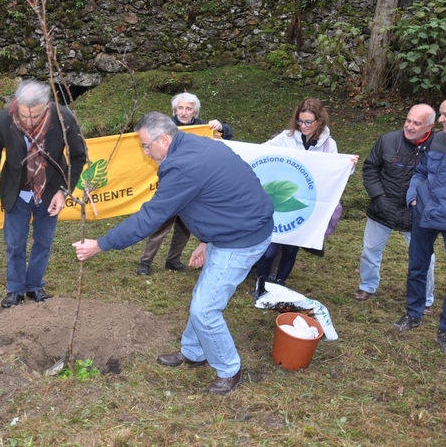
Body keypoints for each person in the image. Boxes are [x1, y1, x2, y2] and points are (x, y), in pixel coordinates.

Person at [73, 112, 274, 395]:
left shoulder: (183, 167)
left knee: (205, 309)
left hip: (241, 238)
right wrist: (206, 239)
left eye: (146, 145)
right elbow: (218, 194)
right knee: (204, 294)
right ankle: (193, 351)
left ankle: (229, 369)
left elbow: (149, 218)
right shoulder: (196, 143)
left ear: (164, 139)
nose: (144, 151)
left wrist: (101, 244)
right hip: (234, 228)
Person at [0, 80, 86, 309]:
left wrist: (63, 191)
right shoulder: (2, 120)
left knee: (43, 241)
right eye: (24, 116)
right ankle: (15, 289)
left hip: (51, 190)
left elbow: (79, 156)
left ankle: (35, 286)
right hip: (16, 191)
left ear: (46, 106)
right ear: (16, 104)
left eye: (35, 117)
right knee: (14, 243)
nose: (28, 122)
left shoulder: (64, 118)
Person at [392, 92, 446, 355]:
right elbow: (421, 172)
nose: (441, 120)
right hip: (425, 214)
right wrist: (414, 197)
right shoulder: (438, 139)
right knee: (417, 267)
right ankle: (413, 314)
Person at [254, 98, 357, 289]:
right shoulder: (285, 138)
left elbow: (335, 172)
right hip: (282, 201)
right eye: (300, 121)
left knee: (291, 250)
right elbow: (260, 151)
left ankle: (279, 284)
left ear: (319, 121)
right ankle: (260, 285)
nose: (303, 126)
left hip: (306, 205)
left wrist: (348, 165)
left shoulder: (328, 144)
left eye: (308, 122)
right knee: (269, 251)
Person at [136, 92, 234, 275]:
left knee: (185, 227)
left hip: (193, 187)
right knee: (161, 225)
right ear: (174, 110)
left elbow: (227, 135)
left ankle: (173, 259)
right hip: (172, 186)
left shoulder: (203, 127)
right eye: (180, 108)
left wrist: (222, 126)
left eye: (188, 108)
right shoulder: (164, 127)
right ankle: (145, 262)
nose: (184, 112)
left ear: (194, 112)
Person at [354, 104, 436, 310]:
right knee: (370, 250)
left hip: (418, 213)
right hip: (382, 208)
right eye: (408, 120)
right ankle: (367, 285)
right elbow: (370, 167)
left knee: (425, 257)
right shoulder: (387, 140)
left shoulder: (439, 147)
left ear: (430, 126)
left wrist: (425, 204)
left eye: (417, 123)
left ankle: (425, 299)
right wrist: (378, 196)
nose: (409, 126)